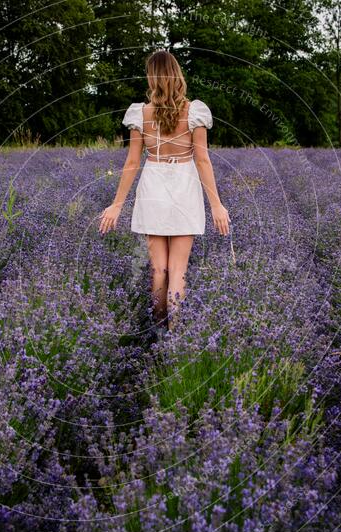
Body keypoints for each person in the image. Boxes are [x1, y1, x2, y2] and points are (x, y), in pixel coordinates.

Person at [98, 49, 230, 332]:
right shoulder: (195, 111)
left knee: (159, 270)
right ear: (177, 74)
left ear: (152, 77)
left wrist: (117, 205)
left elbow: (133, 162)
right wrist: (217, 205)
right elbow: (202, 159)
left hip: (153, 183)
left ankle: (157, 333)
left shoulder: (140, 114)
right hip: (184, 183)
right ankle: (176, 334)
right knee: (178, 269)